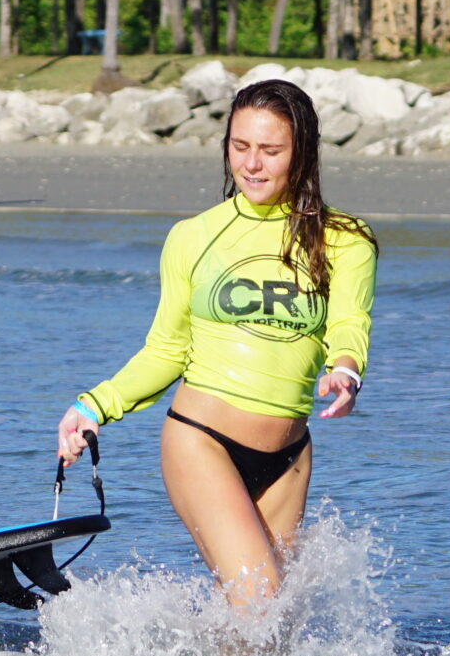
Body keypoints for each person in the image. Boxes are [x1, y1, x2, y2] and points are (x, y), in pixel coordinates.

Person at [53, 79, 375, 611]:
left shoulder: (346, 239)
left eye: (271, 151)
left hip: (290, 456)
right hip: (203, 440)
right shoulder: (193, 236)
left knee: (272, 623)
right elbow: (167, 350)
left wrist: (346, 369)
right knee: (260, 596)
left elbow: (349, 323)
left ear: (303, 154)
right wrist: (94, 405)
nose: (251, 164)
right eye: (239, 146)